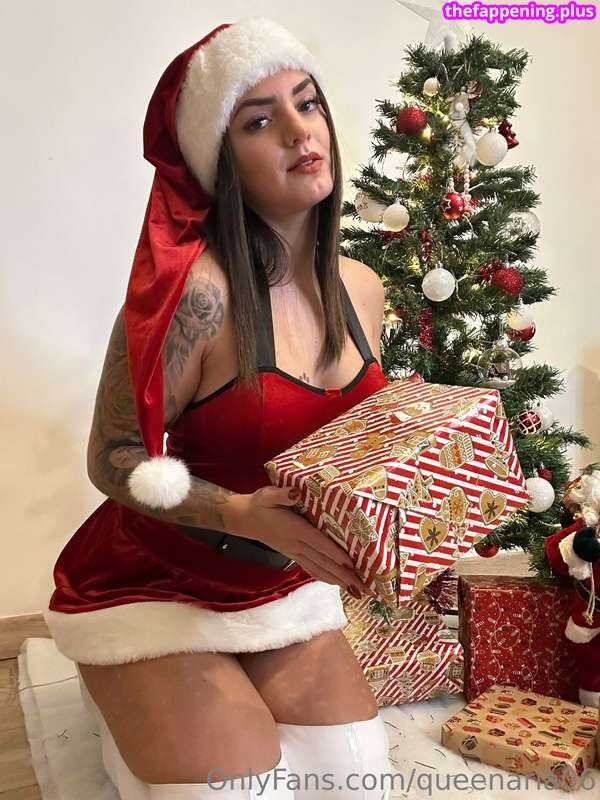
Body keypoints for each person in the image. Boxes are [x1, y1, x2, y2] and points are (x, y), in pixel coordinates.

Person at [44, 16, 393, 800]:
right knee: (235, 786)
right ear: (221, 162)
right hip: (152, 582)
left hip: (279, 586)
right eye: (260, 121)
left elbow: (353, 449)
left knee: (358, 780)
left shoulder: (363, 289)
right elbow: (113, 457)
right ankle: (119, 714)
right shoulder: (194, 299)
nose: (301, 131)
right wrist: (238, 513)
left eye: (308, 103)